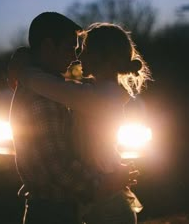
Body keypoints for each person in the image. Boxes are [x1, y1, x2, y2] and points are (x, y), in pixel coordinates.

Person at [14, 22, 151, 224]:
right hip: (103, 195)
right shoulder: (98, 92)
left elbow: (49, 86)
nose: (78, 57)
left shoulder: (99, 98)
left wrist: (22, 68)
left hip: (107, 202)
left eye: (84, 50)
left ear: (102, 58)